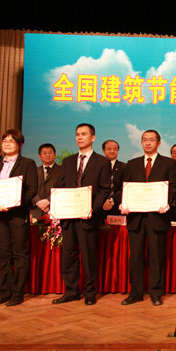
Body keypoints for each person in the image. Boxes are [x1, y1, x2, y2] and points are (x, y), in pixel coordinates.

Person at [52, 123, 111, 306]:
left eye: (84, 134)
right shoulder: (68, 161)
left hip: (88, 217)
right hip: (69, 217)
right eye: (77, 134)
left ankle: (90, 292)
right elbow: (60, 187)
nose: (79, 137)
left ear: (93, 138)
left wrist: (91, 208)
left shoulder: (102, 162)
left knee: (88, 256)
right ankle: (71, 291)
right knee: (68, 256)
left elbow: (104, 189)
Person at [0, 130, 37, 306]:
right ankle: (5, 292)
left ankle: (17, 294)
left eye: (12, 141)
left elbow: (32, 189)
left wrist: (15, 203)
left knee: (19, 253)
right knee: (4, 254)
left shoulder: (27, 163)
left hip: (17, 214)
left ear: (20, 144)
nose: (7, 143)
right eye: (5, 141)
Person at [120, 130, 176, 306]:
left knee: (156, 257)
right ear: (141, 142)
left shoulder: (168, 163)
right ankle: (135, 293)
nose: (148, 143)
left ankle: (156, 293)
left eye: (151, 140)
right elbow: (125, 188)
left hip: (157, 217)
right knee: (135, 258)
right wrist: (124, 203)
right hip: (136, 218)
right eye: (145, 140)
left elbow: (174, 187)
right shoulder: (132, 164)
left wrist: (167, 202)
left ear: (158, 143)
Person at [31, 143, 62, 220]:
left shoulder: (62, 170)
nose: (47, 155)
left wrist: (48, 200)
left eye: (50, 153)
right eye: (44, 153)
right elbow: (30, 188)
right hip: (36, 211)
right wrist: (39, 202)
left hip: (55, 210)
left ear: (55, 155)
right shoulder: (33, 170)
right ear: (39, 156)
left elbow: (63, 188)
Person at [101, 140, 125, 216]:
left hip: (117, 208)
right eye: (109, 149)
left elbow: (124, 188)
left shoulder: (124, 167)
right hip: (99, 208)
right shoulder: (97, 167)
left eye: (115, 149)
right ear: (104, 151)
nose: (112, 151)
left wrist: (112, 200)